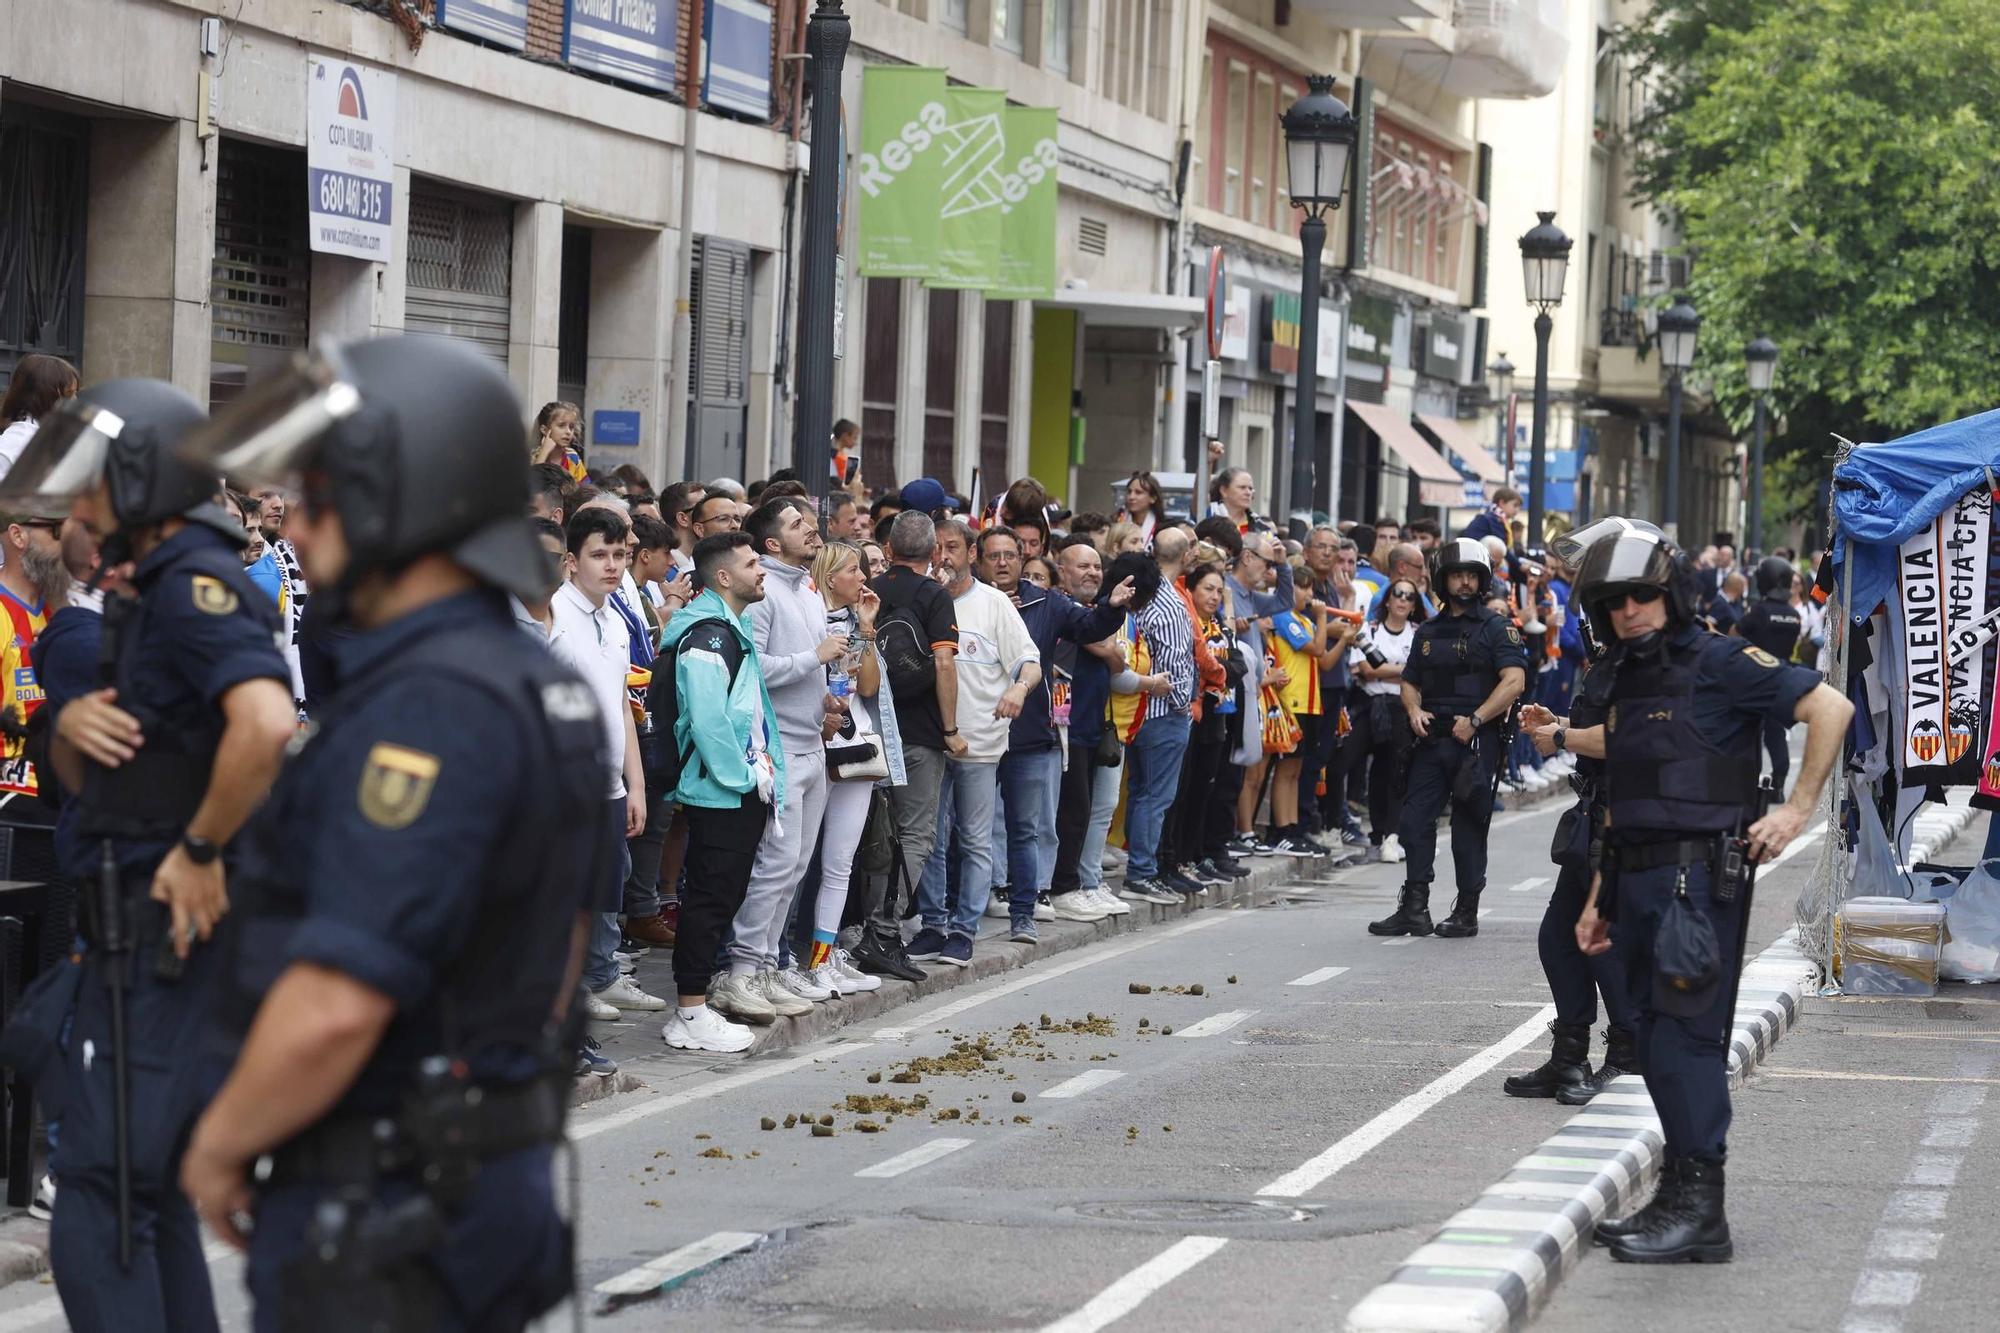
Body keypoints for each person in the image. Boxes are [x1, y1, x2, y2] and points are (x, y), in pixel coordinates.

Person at [159, 338, 601, 1331]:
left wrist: (221, 1143)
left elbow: (338, 1000)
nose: (300, 532)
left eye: (319, 498)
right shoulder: (530, 682)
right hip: (472, 1177)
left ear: (400, 502)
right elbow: (565, 947)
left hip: (389, 1201)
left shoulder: (431, 706)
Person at [1, 378, 296, 1333]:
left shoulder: (187, 583)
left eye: (92, 485)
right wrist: (73, 737)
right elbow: (147, 765)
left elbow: (264, 718)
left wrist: (203, 846)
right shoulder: (155, 587)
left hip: (155, 946)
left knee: (99, 1190)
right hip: (137, 934)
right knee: (151, 1190)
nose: (76, 508)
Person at [1570, 525, 1850, 1263]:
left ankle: (1701, 1209)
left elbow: (1832, 708)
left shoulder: (1722, 659)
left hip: (1697, 882)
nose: (1629, 610)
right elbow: (1625, 793)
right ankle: (1679, 1190)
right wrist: (1600, 894)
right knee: (1654, 1043)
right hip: (1635, 877)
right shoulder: (1625, 676)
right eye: (1614, 601)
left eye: (1642, 595)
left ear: (1670, 594)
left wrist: (1796, 809)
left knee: (1687, 1041)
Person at [712, 498, 847, 1020]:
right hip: (780, 749)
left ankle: (768, 965)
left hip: (812, 742)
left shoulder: (807, 590)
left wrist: (825, 696)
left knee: (794, 866)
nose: (811, 530)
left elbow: (802, 668)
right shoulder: (763, 593)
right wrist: (813, 660)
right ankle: (741, 972)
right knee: (773, 865)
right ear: (771, 544)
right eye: (797, 525)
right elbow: (755, 669)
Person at [658, 532, 785, 1052]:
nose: (763, 571)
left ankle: (696, 1005)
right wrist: (743, 777)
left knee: (720, 896)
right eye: (753, 563)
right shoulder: (709, 637)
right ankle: (689, 1012)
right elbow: (709, 723)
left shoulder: (732, 627)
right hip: (722, 791)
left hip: (736, 788)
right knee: (710, 899)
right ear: (724, 577)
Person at [1369, 538, 1528, 939]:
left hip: (1475, 742)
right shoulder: (1429, 631)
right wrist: (1413, 710)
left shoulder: (1496, 628)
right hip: (1432, 740)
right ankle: (1414, 908)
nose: (1463, 582)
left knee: (1468, 826)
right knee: (1413, 820)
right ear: (1443, 579)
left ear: (1481, 581)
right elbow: (1409, 681)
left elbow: (1514, 681)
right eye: (1457, 574)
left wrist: (1475, 719)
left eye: (1471, 576)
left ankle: (1467, 910)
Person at [976, 526, 1127, 936]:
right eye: (994, 555)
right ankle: (968, 913)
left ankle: (1024, 910)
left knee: (1028, 827)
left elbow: (1090, 627)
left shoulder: (1047, 601)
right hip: (975, 732)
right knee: (977, 830)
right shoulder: (967, 600)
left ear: (1023, 559)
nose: (1003, 562)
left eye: (1011, 554)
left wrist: (1112, 608)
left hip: (1029, 732)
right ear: (980, 560)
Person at [549, 507, 667, 1024]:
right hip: (564, 783)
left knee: (607, 882)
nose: (612, 565)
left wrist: (634, 787)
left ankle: (600, 975)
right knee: (570, 891)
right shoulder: (553, 616)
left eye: (620, 555)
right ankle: (569, 987)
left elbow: (623, 705)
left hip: (609, 782)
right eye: (600, 555)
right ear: (571, 561)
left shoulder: (616, 617)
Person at [909, 521, 1039, 968]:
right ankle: (933, 925)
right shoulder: (922, 597)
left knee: (975, 839)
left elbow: (1029, 661)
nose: (944, 556)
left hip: (980, 743)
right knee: (929, 839)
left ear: (971, 553)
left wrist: (1018, 690)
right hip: (929, 742)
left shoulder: (994, 603)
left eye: (953, 548)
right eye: (937, 548)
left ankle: (964, 931)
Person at [850, 511, 961, 981]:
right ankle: (885, 932)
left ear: (888, 549)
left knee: (868, 833)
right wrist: (951, 730)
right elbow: (943, 664)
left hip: (863, 730)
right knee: (914, 834)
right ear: (935, 552)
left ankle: (858, 927)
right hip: (917, 734)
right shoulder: (934, 595)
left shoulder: (869, 589)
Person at [801, 541, 893, 996]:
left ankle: (824, 956)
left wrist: (868, 630)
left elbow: (869, 685)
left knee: (840, 861)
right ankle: (786, 957)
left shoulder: (857, 623)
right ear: (829, 576)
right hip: (813, 743)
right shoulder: (808, 617)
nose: (863, 577)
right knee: (796, 861)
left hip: (853, 747)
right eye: (854, 570)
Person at [1121, 528, 1197, 899]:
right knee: (1154, 796)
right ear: (1185, 555)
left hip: (1144, 711)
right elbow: (1175, 666)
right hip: (1162, 713)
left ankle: (1141, 868)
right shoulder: (1167, 606)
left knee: (1142, 793)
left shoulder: (1149, 601)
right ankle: (1141, 872)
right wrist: (1183, 705)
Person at [1349, 578, 1422, 862]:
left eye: (1409, 596)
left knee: (1396, 771)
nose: (1403, 600)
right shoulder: (1371, 629)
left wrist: (1389, 671)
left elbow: (1418, 674)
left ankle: (1392, 835)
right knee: (1352, 760)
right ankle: (1350, 825)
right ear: (1388, 600)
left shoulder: (1417, 634)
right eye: (1398, 594)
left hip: (1401, 705)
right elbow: (1368, 670)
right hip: (1370, 704)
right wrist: (1401, 670)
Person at [0, 508, 68, 802]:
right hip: (12, 795)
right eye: (57, 529)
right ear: (18, 535)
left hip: (60, 786)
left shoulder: (65, 607)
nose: (69, 539)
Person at [1731, 556, 1806, 792]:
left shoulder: (1760, 611)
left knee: (1750, 732)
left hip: (1754, 678)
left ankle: (1749, 783)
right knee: (1775, 734)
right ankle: (1779, 784)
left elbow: (1734, 634)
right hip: (1780, 678)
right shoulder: (1794, 616)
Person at [0, 353, 80, 480]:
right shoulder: (17, 441)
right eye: (68, 394)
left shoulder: (43, 434)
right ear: (43, 395)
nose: (74, 400)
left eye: (75, 393)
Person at [530, 399, 586, 480]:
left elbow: (584, 489)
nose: (568, 432)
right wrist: (544, 452)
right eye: (561, 425)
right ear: (544, 430)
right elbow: (530, 485)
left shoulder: (572, 457)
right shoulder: (533, 456)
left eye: (571, 427)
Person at [1208, 467, 1269, 534]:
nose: (1248, 493)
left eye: (1250, 488)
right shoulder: (1209, 514)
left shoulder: (1258, 524)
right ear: (1224, 491)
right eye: (1242, 488)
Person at [1119, 471, 1163, 548]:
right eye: (1129, 492)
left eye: (1138, 492)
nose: (1131, 497)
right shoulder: (1116, 522)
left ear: (1153, 498)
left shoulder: (1162, 528)